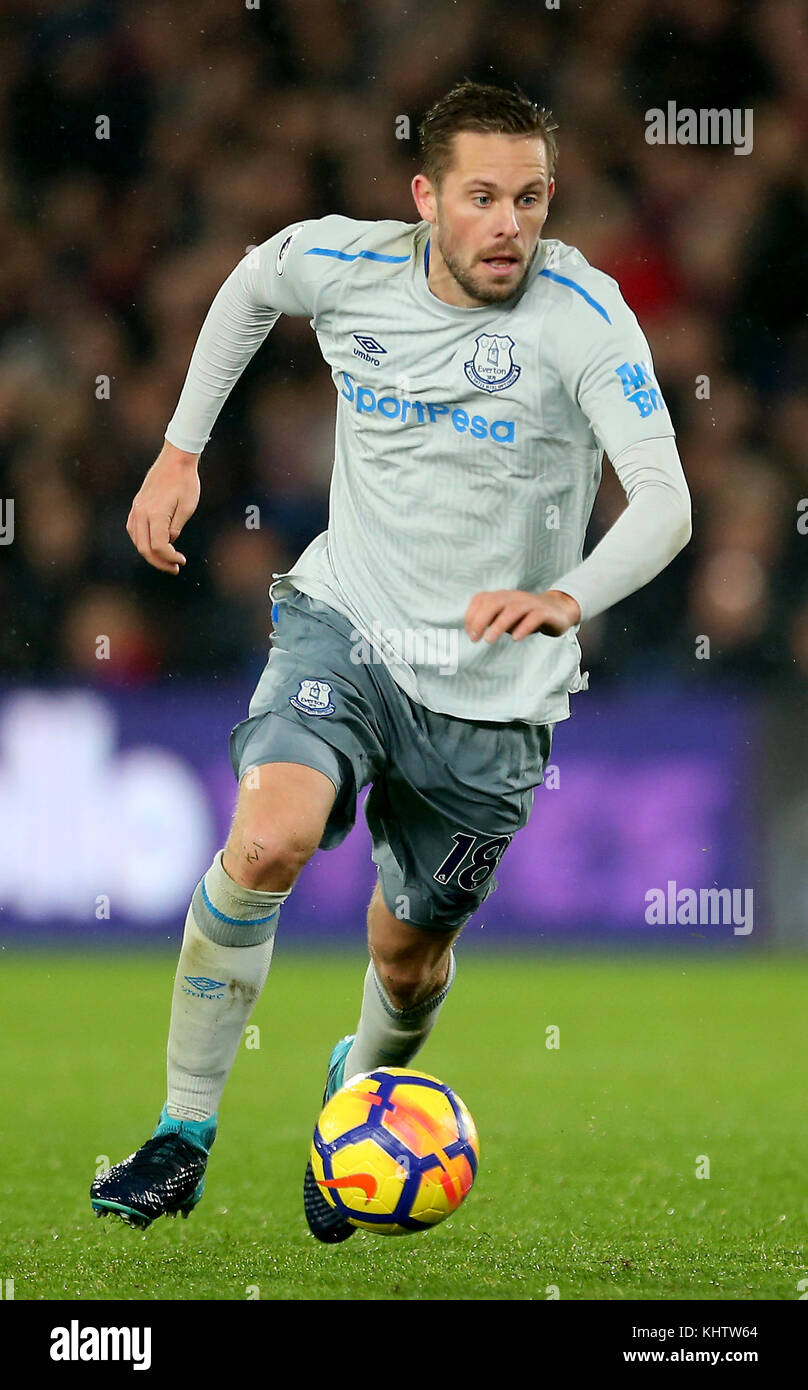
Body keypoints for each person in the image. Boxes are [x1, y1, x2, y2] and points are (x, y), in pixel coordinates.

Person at [91, 81, 691, 1241]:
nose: (508, 222)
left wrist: (567, 596)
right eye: (480, 196)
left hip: (493, 694)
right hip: (347, 624)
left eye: (528, 196)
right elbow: (250, 283)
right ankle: (181, 1130)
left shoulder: (584, 314)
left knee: (406, 960)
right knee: (263, 841)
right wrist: (179, 449)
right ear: (426, 198)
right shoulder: (344, 265)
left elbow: (664, 504)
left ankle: (353, 1095)